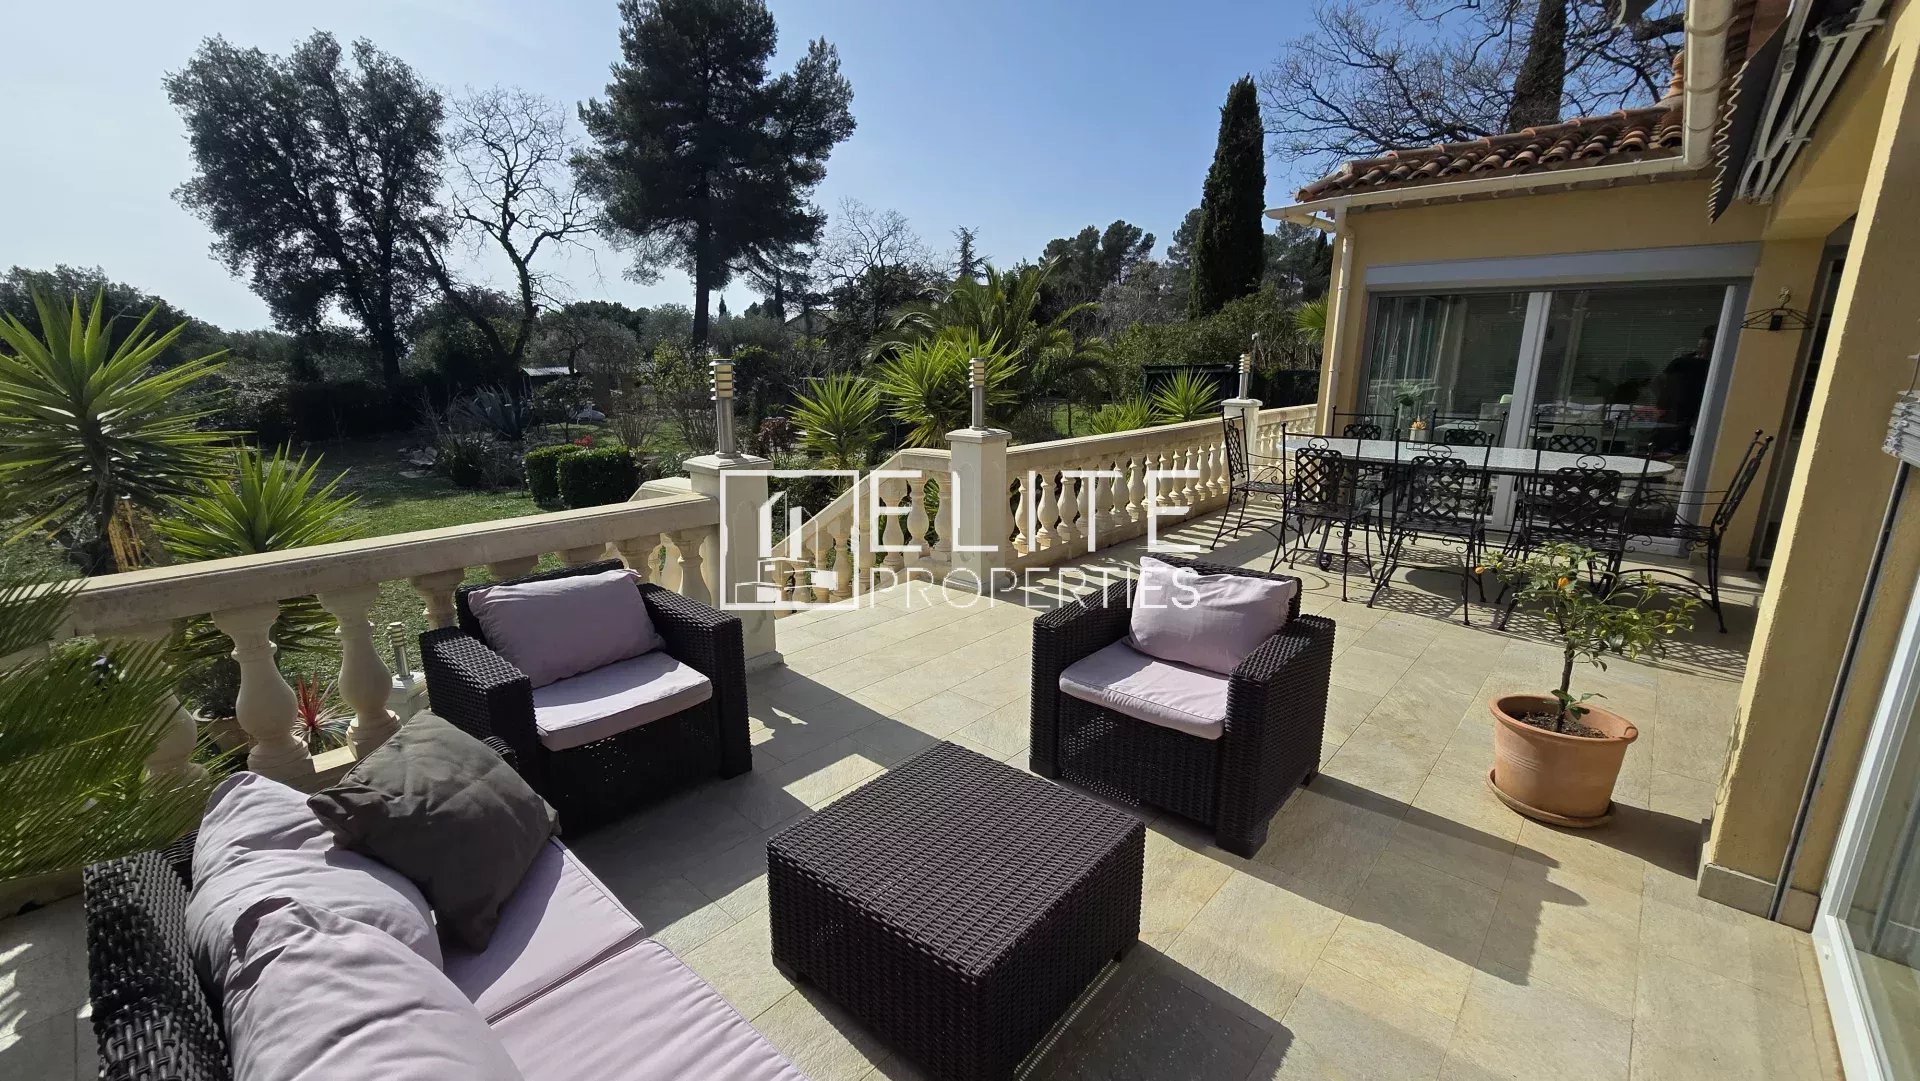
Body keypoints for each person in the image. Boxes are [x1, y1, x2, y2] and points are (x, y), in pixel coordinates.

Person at [1655, 328, 1714, 454]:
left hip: (1698, 408)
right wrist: (1664, 401)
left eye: (1708, 346)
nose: (1704, 349)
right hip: (1677, 409)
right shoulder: (1683, 361)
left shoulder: (1713, 365)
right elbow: (1660, 381)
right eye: (1702, 345)